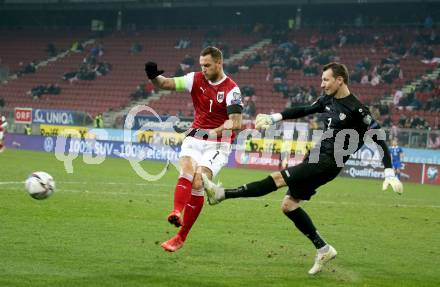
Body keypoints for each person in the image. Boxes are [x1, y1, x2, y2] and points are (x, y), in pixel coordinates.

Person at [202, 62, 403, 275]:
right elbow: (304, 110)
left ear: (339, 80)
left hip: (328, 163)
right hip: (316, 157)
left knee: (278, 179)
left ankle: (221, 194)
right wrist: (274, 117)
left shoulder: (357, 108)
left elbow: (378, 137)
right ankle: (324, 249)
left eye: (326, 79)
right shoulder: (327, 100)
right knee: (289, 205)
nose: (322, 84)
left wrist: (389, 171)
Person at [145, 46, 243, 252]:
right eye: (202, 65)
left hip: (219, 142)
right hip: (195, 136)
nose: (204, 69)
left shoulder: (232, 90)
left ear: (219, 63)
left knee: (199, 180)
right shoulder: (195, 79)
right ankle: (176, 212)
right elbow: (165, 84)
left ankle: (181, 237)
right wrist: (153, 76)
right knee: (187, 170)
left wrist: (211, 133)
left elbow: (235, 123)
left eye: (207, 65)